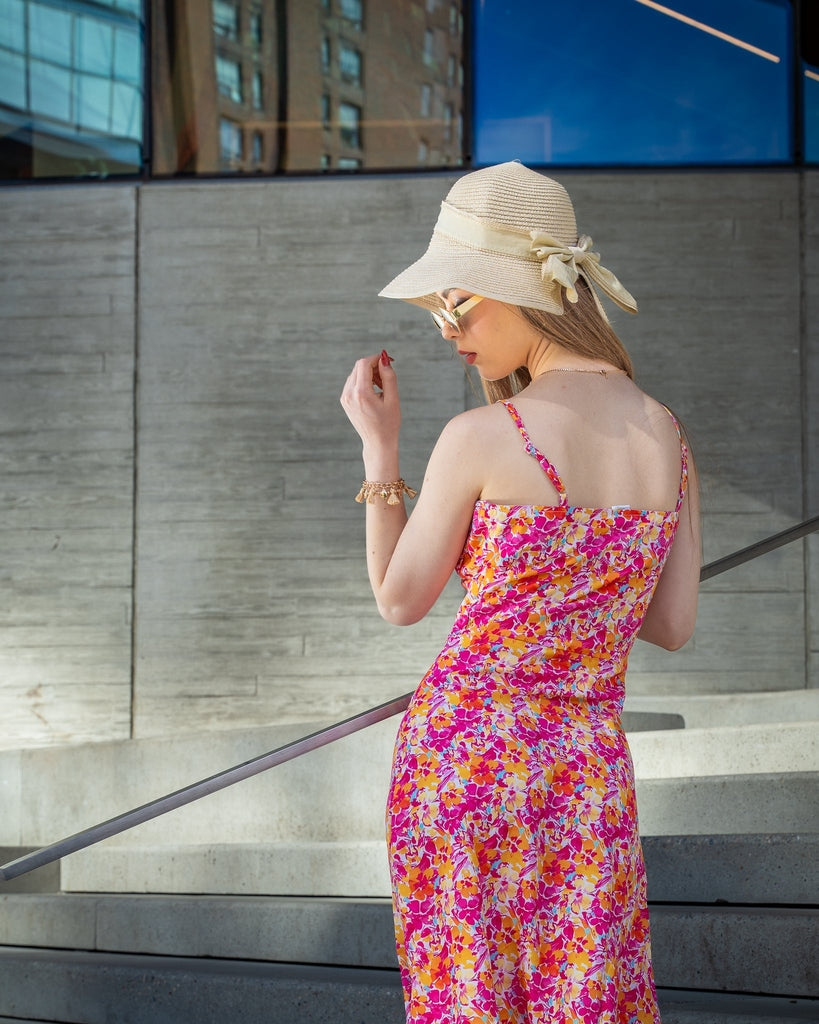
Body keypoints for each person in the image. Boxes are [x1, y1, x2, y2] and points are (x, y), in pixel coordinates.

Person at [340, 161, 700, 1024]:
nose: (447, 330)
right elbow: (672, 625)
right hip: (585, 767)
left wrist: (379, 455)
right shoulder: (665, 434)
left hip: (464, 759)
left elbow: (399, 600)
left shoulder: (478, 438)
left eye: (458, 304)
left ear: (524, 294)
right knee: (588, 996)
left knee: (470, 995)